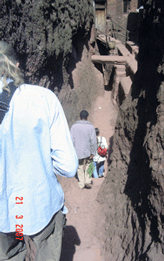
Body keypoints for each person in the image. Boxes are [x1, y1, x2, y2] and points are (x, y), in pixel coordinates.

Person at [0, 41, 78, 261]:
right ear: (15, 66)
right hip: (37, 204)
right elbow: (69, 167)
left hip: (7, 215)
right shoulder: (43, 98)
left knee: (13, 249)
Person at [70, 110, 97, 189]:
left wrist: (73, 150)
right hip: (88, 151)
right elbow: (93, 141)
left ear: (80, 117)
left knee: (80, 166)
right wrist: (93, 152)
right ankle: (88, 181)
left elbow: (71, 140)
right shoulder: (91, 127)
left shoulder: (74, 127)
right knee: (90, 164)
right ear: (87, 117)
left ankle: (81, 183)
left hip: (78, 151)